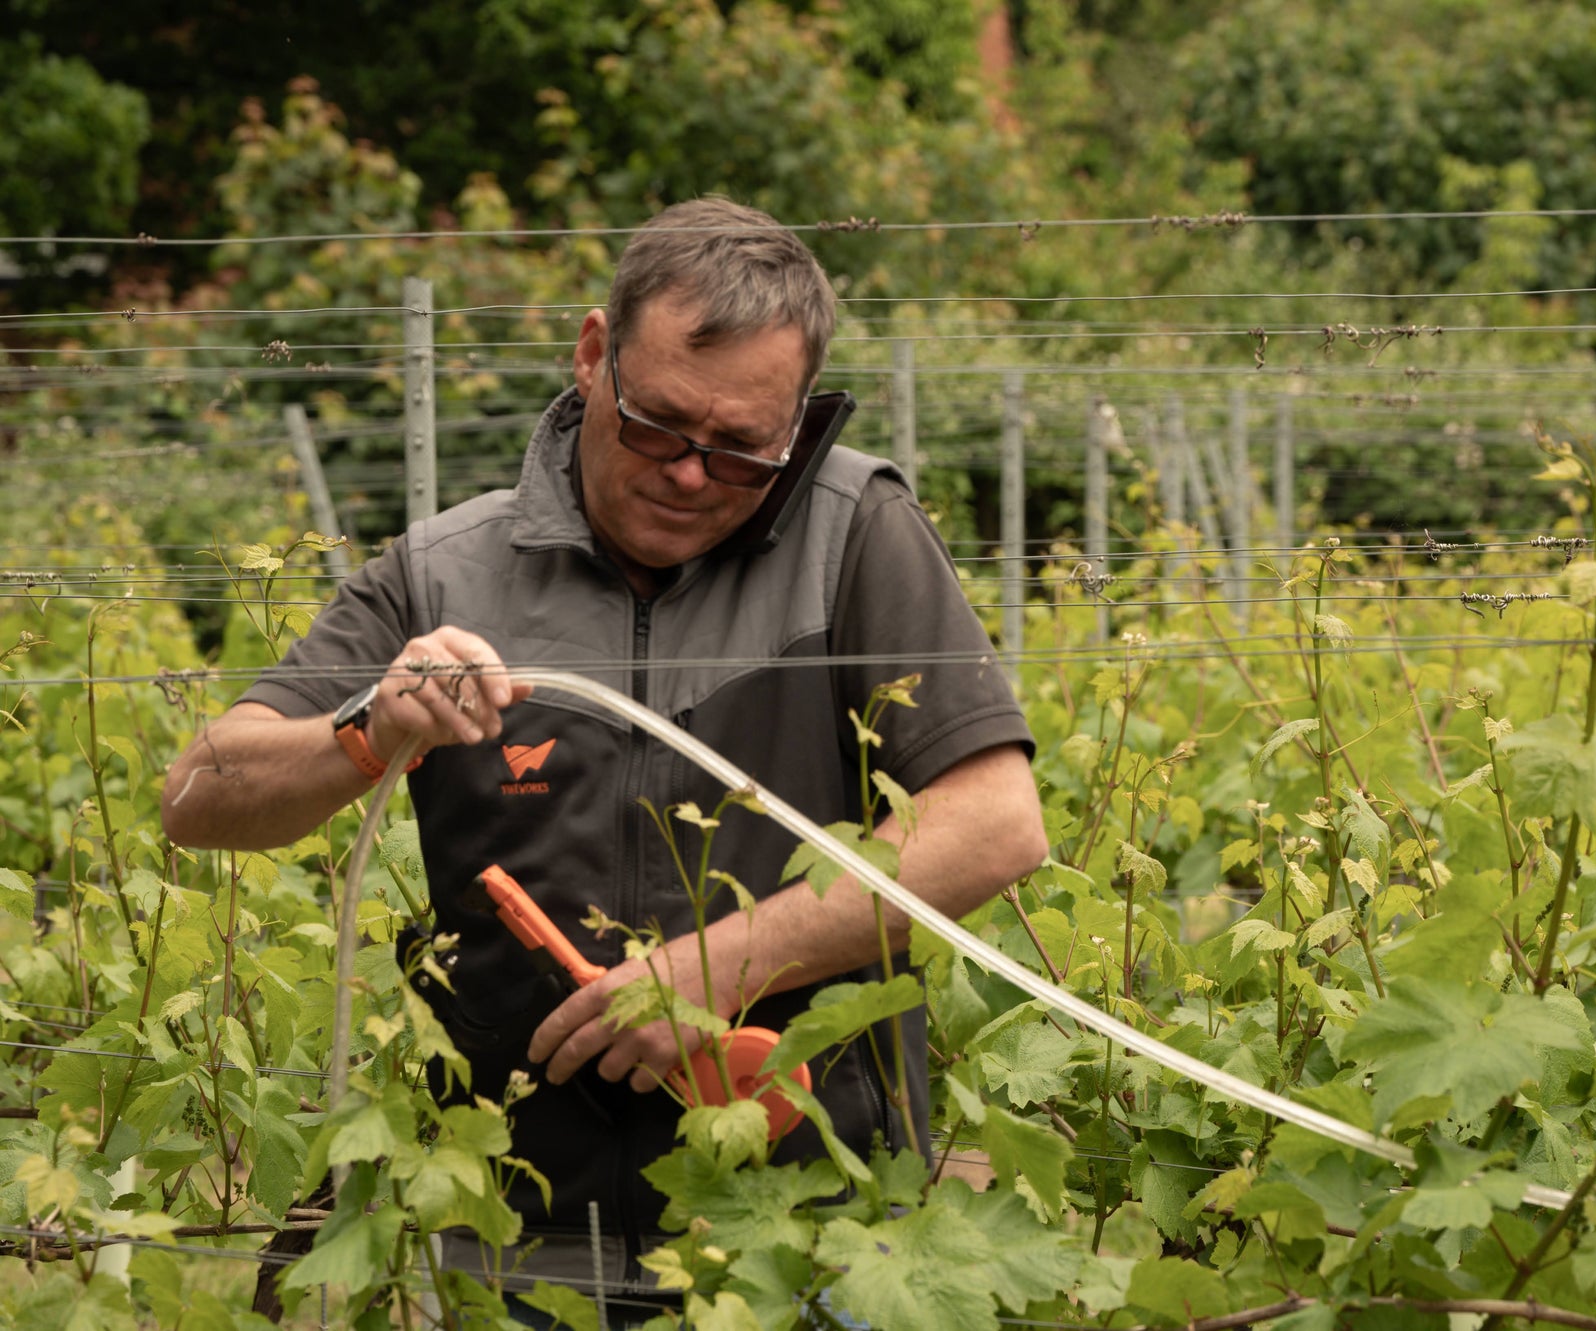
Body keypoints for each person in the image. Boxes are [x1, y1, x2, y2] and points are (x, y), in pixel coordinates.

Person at [161, 197, 1047, 1308]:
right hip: (500, 1233)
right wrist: (369, 729)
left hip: (804, 1241)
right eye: (660, 425)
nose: (689, 475)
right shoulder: (448, 569)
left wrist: (715, 967)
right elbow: (200, 794)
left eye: (740, 452)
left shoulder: (850, 533)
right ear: (592, 355)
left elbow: (994, 819)